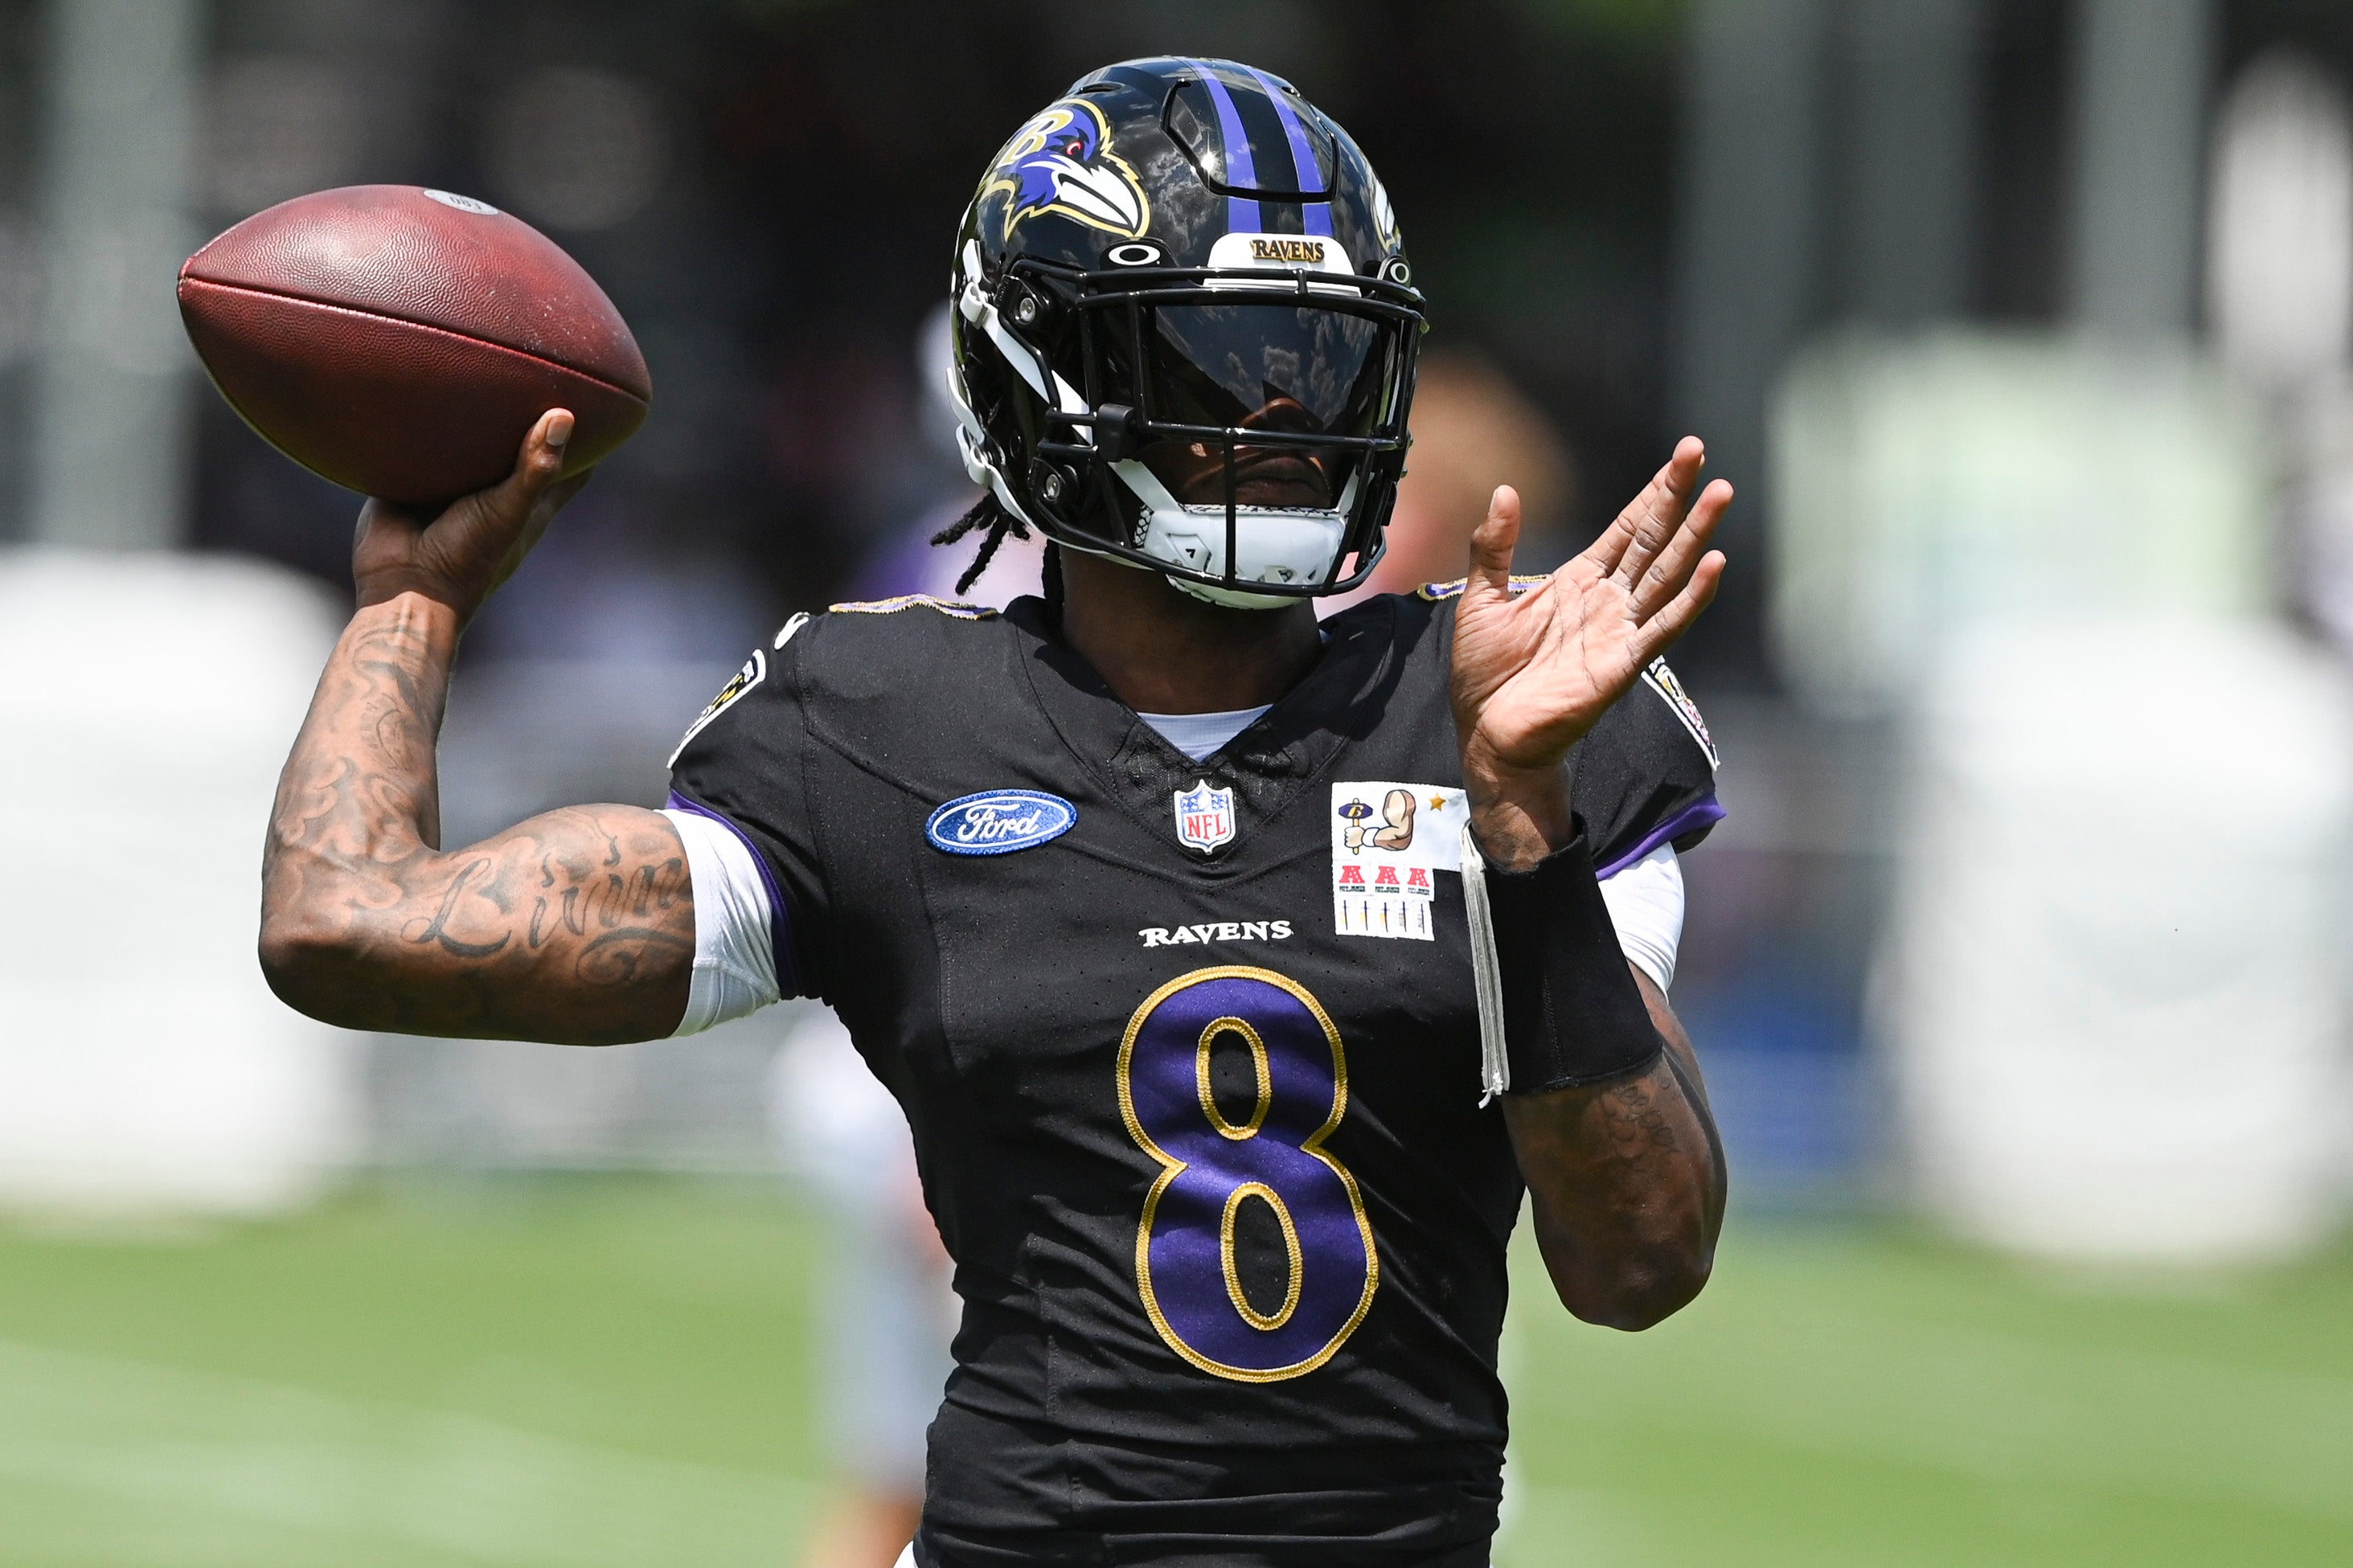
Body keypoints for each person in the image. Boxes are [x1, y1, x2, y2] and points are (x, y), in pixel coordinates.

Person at [260, 57, 1730, 1568]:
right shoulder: (887, 728)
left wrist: (1522, 833)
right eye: (1219, 359)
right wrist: (414, 600)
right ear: (1044, 378)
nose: (1289, 410)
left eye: (1324, 356)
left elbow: (1641, 1265)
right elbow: (345, 923)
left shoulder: (1508, 718)